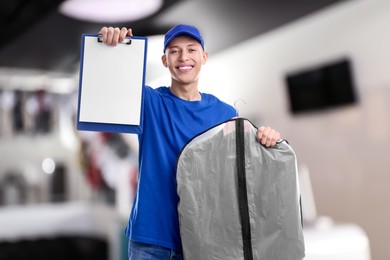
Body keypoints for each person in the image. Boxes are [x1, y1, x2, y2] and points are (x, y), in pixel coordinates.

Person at [98, 24, 281, 260]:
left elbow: (242, 171)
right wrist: (109, 49)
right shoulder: (148, 102)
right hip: (151, 240)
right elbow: (109, 89)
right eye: (174, 51)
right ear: (165, 60)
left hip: (203, 239)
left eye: (191, 50)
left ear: (203, 57)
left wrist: (267, 139)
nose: (183, 57)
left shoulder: (225, 113)